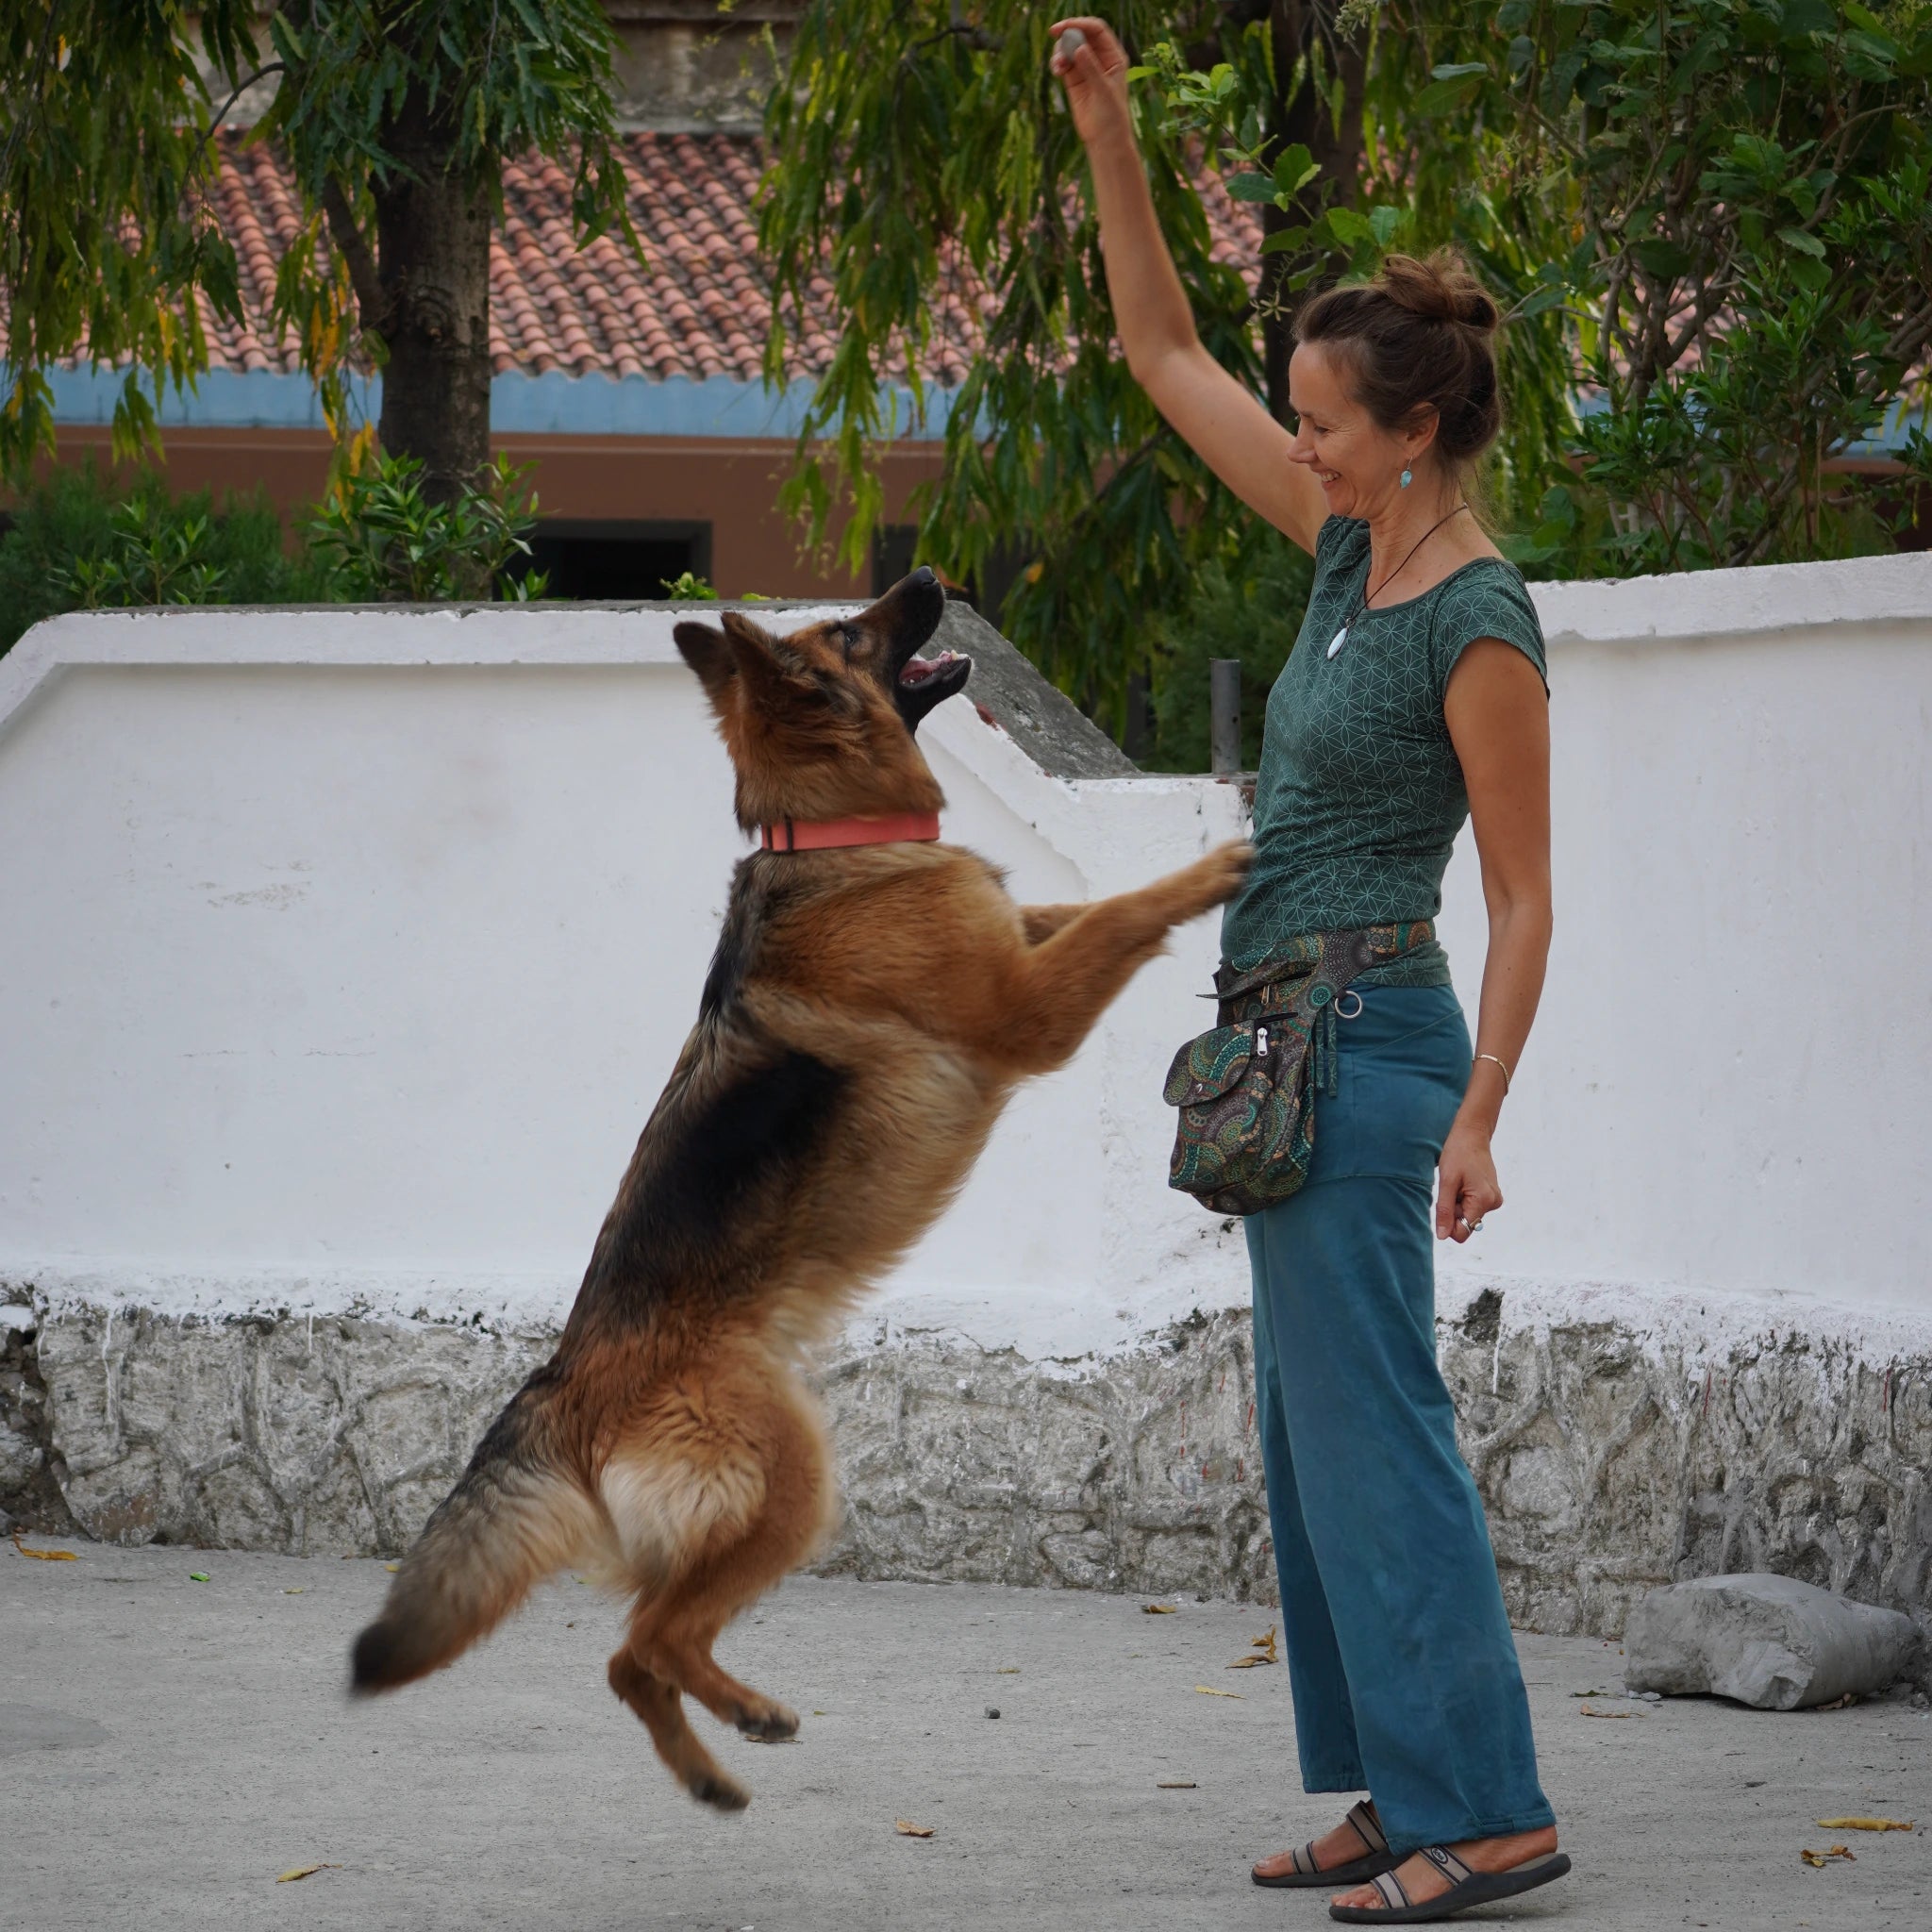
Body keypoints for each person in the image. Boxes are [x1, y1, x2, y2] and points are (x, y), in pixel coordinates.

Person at [1051, 20, 1567, 1924]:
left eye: (1326, 421)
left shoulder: (1476, 621)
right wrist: (1112, 129)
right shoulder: (1346, 559)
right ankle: (1387, 1786)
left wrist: (1484, 1111)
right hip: (1281, 1044)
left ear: (1411, 433)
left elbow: (1522, 892)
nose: (1299, 443)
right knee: (1311, 1440)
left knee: (1378, 1437)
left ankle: (1485, 1809)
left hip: (1374, 1043)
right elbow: (1158, 352)